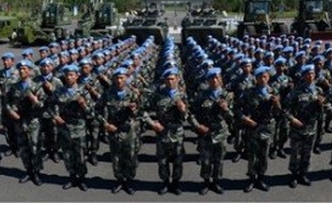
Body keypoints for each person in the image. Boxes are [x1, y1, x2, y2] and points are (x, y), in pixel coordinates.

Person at [283, 64, 332, 188]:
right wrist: (292, 119)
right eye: (308, 74)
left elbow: (324, 109)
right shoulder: (295, 92)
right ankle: (294, 175)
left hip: (311, 127)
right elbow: (285, 110)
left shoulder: (318, 91)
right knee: (295, 153)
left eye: (312, 74)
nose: (310, 76)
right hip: (297, 128)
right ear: (303, 76)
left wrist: (321, 104)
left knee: (307, 153)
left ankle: (303, 174)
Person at [142, 67, 189, 195]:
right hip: (162, 132)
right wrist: (152, 123)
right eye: (167, 79)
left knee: (178, 160)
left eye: (172, 79)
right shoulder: (158, 95)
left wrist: (182, 108)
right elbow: (143, 110)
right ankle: (165, 182)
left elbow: (186, 117)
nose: (170, 82)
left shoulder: (183, 95)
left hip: (177, 133)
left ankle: (175, 183)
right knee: (162, 160)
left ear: (178, 79)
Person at [189, 67, 234, 195]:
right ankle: (206, 182)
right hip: (206, 133)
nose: (214, 80)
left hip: (220, 132)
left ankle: (216, 182)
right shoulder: (201, 95)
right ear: (208, 81)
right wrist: (197, 126)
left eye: (217, 77)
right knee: (206, 159)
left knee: (219, 159)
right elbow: (192, 114)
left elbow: (233, 117)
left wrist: (226, 109)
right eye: (211, 78)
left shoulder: (227, 96)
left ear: (220, 79)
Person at [96, 67, 141, 195]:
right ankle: (120, 180)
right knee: (116, 157)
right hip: (113, 129)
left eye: (122, 78)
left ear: (126, 78)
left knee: (130, 156)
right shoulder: (108, 93)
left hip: (129, 130)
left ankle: (129, 181)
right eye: (117, 78)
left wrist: (134, 110)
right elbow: (97, 110)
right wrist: (105, 124)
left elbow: (142, 111)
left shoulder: (133, 93)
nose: (119, 80)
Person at [49, 64, 91, 191]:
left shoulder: (83, 92)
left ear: (77, 76)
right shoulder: (59, 91)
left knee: (80, 155)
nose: (68, 77)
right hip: (64, 128)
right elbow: (49, 105)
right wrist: (55, 116)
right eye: (67, 75)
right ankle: (72, 178)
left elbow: (92, 113)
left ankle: (82, 179)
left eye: (71, 75)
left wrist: (84, 105)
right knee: (67, 155)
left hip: (79, 129)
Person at [238, 66, 281, 192]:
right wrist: (245, 119)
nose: (263, 79)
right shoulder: (249, 92)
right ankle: (251, 178)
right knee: (253, 155)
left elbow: (278, 112)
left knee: (264, 154)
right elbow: (237, 108)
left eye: (265, 76)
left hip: (267, 127)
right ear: (256, 78)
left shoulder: (273, 91)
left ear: (268, 77)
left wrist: (276, 103)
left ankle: (261, 178)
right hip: (253, 127)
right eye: (260, 77)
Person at [6, 59, 46, 186]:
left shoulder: (36, 86)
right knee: (23, 149)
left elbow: (43, 105)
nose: (22, 71)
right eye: (20, 69)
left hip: (33, 122)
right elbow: (7, 102)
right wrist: (10, 111)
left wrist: (35, 101)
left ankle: (36, 173)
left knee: (35, 148)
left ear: (29, 71)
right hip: (19, 121)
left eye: (24, 69)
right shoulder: (14, 87)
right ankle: (28, 171)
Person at [0, 52, 20, 157]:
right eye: (4, 60)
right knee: (7, 128)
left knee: (17, 127)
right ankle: (12, 146)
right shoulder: (0, 73)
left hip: (15, 106)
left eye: (7, 60)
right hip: (4, 105)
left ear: (12, 61)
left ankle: (19, 147)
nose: (5, 62)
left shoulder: (18, 74)